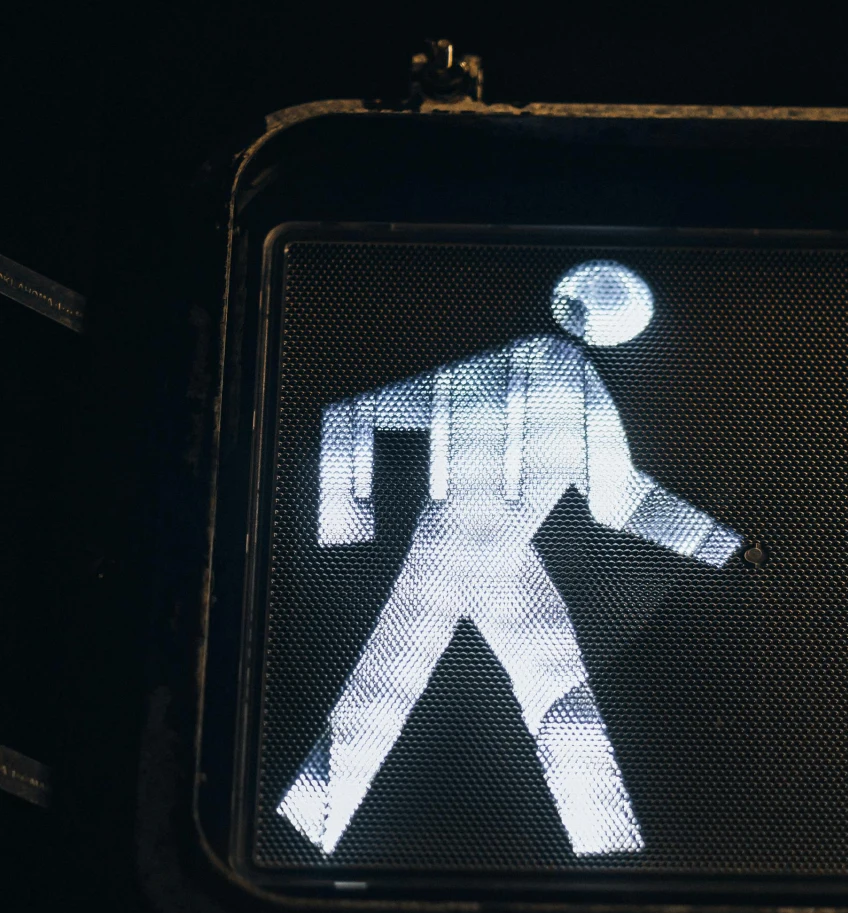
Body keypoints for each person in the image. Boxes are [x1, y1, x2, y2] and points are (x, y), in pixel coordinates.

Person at [278, 261, 739, 857]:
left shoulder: (574, 385)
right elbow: (351, 413)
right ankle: (304, 834)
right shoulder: (474, 373)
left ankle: (608, 852)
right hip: (445, 553)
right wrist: (343, 523)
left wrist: (721, 545)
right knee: (381, 699)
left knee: (550, 703)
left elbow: (621, 498)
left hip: (506, 560)